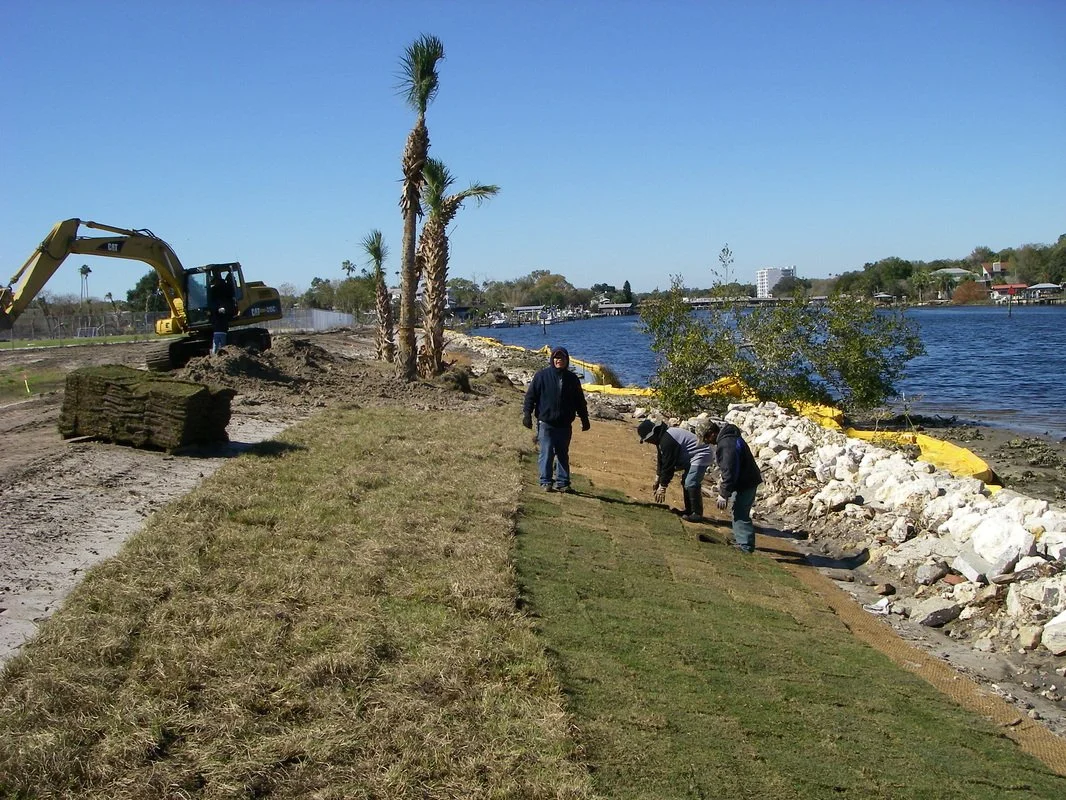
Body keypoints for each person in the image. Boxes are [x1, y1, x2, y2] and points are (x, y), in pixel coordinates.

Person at [522, 347, 590, 492]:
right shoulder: (541, 376)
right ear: (552, 360)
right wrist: (527, 414)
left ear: (567, 360)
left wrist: (585, 419)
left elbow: (579, 401)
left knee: (562, 454)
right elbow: (530, 397)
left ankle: (563, 482)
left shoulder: (572, 379)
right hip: (546, 423)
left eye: (562, 358)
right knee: (546, 452)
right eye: (556, 358)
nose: (559, 360)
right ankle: (545, 481)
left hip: (565, 425)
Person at [637, 419, 713, 523]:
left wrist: (663, 486)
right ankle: (689, 510)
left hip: (701, 454)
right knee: (686, 482)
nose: (647, 442)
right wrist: (658, 477)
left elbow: (669, 465)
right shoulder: (663, 438)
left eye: (647, 439)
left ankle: (697, 514)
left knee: (691, 482)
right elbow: (661, 459)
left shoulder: (667, 440)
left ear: (653, 434)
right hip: (690, 456)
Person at [704, 420, 763, 553]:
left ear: (712, 433)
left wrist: (723, 494)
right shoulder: (728, 438)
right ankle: (741, 540)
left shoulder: (726, 445)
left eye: (707, 438)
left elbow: (730, 471)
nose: (707, 442)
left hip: (746, 482)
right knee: (737, 510)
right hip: (745, 480)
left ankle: (746, 547)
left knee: (740, 512)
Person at [209, 273, 235, 354]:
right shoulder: (226, 287)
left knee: (217, 346)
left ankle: (217, 356)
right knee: (221, 346)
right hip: (221, 332)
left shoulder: (219, 291)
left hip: (218, 331)